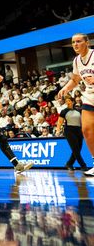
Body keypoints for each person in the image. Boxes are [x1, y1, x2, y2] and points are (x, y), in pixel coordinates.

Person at [56, 33, 94, 176]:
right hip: (90, 96)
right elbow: (76, 79)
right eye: (73, 42)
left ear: (87, 42)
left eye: (78, 41)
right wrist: (66, 87)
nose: (75, 44)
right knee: (87, 130)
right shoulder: (77, 60)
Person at [57, 95, 88, 170]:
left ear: (73, 102)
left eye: (69, 101)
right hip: (69, 130)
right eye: (66, 101)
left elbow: (82, 121)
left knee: (78, 148)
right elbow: (60, 122)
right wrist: (58, 130)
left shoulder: (78, 110)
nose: (67, 102)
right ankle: (83, 166)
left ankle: (69, 163)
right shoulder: (64, 111)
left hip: (78, 130)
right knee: (75, 148)